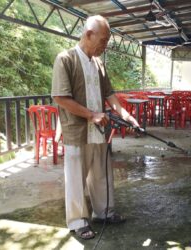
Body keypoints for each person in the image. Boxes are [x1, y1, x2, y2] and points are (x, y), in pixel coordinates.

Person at [51, 15, 139, 240]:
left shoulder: (99, 63)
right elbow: (61, 97)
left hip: (98, 130)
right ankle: (78, 221)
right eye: (103, 40)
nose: (105, 45)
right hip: (76, 130)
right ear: (88, 34)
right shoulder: (66, 59)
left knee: (102, 174)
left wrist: (126, 115)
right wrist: (91, 115)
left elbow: (109, 94)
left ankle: (104, 213)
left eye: (107, 40)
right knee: (76, 178)